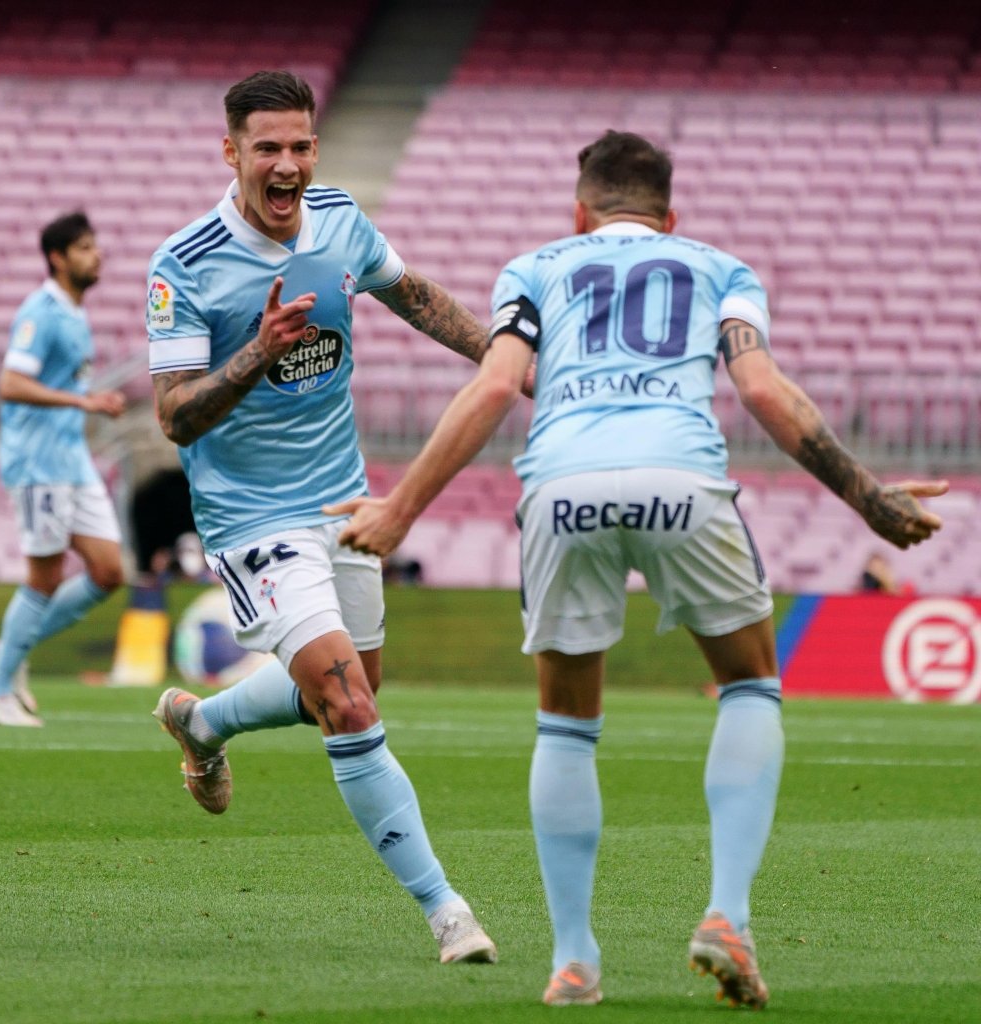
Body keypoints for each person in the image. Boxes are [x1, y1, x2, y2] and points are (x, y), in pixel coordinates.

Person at [326, 131, 949, 1007]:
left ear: (580, 213)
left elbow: (497, 386)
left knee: (565, 724)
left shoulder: (534, 268)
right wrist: (868, 498)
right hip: (680, 479)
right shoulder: (720, 268)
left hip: (563, 486)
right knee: (749, 686)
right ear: (671, 215)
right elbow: (763, 390)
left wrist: (401, 510)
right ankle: (727, 916)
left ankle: (574, 960)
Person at [146, 71, 496, 966]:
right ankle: (448, 912)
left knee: (343, 692)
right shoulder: (184, 263)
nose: (288, 164)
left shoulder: (339, 217)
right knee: (346, 703)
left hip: (343, 502)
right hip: (251, 519)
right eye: (267, 147)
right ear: (231, 152)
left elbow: (415, 296)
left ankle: (204, 722)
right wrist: (257, 353)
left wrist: (507, 360)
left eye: (301, 146)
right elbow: (175, 417)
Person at [0, 212, 126, 727]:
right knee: (45, 575)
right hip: (38, 461)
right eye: (84, 247)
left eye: (95, 245)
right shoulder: (39, 312)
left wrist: (88, 400)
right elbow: (11, 383)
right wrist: (83, 403)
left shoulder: (74, 313)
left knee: (108, 571)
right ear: (58, 258)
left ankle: (10, 650)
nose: (97, 254)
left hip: (71, 460)